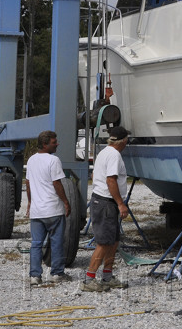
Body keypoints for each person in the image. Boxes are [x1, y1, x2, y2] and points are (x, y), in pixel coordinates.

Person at [80, 125, 130, 292]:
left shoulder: (103, 152)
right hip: (106, 202)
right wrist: (121, 203)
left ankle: (107, 277)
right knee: (103, 242)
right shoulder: (115, 155)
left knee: (113, 241)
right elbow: (111, 180)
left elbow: (95, 175)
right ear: (124, 141)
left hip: (103, 201)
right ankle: (89, 279)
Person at [25, 130, 72, 285]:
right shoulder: (54, 160)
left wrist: (30, 202)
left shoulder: (31, 160)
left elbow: (29, 183)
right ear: (45, 144)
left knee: (36, 243)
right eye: (54, 142)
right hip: (53, 209)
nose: (57, 144)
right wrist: (65, 201)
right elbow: (56, 183)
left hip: (37, 211)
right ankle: (57, 273)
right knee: (57, 242)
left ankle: (34, 276)